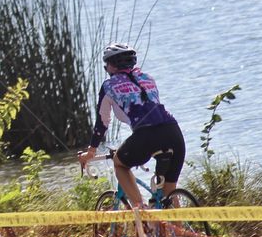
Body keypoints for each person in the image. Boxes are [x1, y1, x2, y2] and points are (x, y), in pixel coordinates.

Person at [78, 43, 186, 208]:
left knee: (119, 163)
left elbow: (102, 122)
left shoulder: (108, 86)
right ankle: (181, 233)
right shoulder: (148, 78)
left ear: (112, 66)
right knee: (169, 190)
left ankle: (140, 210)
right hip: (173, 132)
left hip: (146, 135)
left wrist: (91, 151)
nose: (106, 68)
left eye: (106, 65)